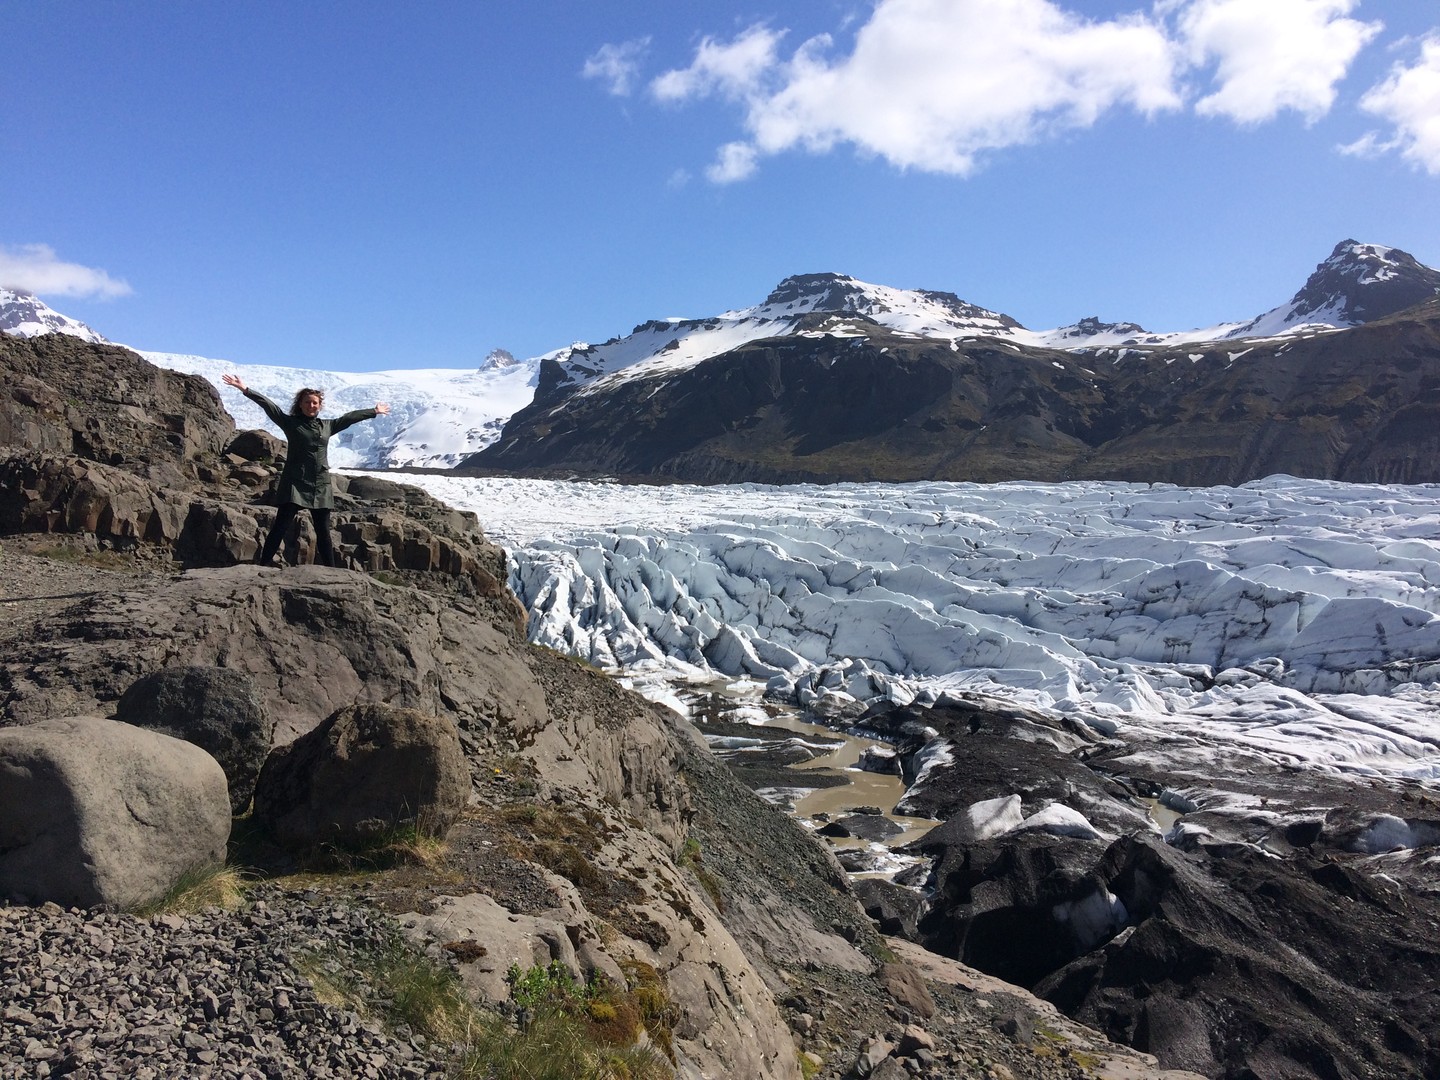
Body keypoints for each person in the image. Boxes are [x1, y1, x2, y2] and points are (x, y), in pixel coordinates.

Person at [221, 374, 391, 567]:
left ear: (320, 405)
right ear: (300, 404)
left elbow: (349, 418)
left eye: (315, 403)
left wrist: (373, 411)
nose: (312, 406)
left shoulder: (327, 426)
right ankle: (264, 564)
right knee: (280, 527)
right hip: (295, 483)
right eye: (308, 402)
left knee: (323, 532)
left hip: (320, 484)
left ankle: (332, 571)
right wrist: (245, 389)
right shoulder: (291, 423)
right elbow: (270, 407)